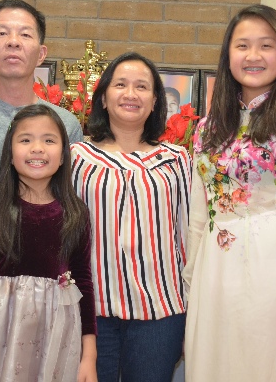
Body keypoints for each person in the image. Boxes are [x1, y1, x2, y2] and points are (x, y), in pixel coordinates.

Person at [182, 4, 276, 381]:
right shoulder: (207, 129)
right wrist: (188, 287)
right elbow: (197, 217)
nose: (253, 55)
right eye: (242, 45)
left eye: (266, 45)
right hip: (215, 267)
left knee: (269, 362)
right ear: (228, 55)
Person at [0, 104, 97, 382]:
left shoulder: (75, 213)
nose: (37, 149)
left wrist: (89, 357)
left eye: (49, 140)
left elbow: (84, 283)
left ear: (63, 156)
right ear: (10, 153)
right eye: (25, 140)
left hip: (57, 332)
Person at [71, 52, 191, 382]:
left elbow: (188, 235)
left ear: (155, 102)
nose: (131, 93)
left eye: (142, 86)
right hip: (91, 312)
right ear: (103, 98)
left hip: (161, 312)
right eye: (120, 85)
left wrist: (193, 305)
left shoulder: (177, 160)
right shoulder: (77, 158)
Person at [0, 0, 83, 176]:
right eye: (2, 33)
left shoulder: (65, 124)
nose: (13, 42)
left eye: (25, 34)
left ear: (41, 55)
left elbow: (69, 188)